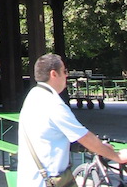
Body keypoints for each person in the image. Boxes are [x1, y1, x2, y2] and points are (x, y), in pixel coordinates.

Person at [18, 53, 127, 187]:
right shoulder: (53, 104)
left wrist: (97, 147)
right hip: (47, 181)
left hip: (30, 179)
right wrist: (116, 156)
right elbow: (84, 137)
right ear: (54, 74)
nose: (66, 75)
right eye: (64, 71)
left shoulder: (33, 95)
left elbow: (48, 137)